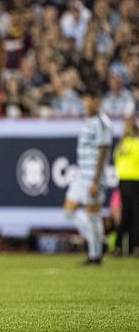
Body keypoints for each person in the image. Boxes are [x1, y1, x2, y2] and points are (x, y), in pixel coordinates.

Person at [63, 90, 112, 264]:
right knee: (69, 210)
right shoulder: (87, 121)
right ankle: (98, 241)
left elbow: (103, 151)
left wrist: (96, 181)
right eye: (86, 99)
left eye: (91, 100)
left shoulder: (102, 122)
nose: (88, 103)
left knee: (92, 216)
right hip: (81, 174)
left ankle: (95, 255)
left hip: (93, 176)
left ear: (98, 101)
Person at [112, 117, 139, 256]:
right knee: (135, 214)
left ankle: (118, 246)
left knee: (126, 214)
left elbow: (116, 161)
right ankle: (135, 247)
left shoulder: (121, 146)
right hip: (135, 180)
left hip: (123, 181)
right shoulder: (137, 143)